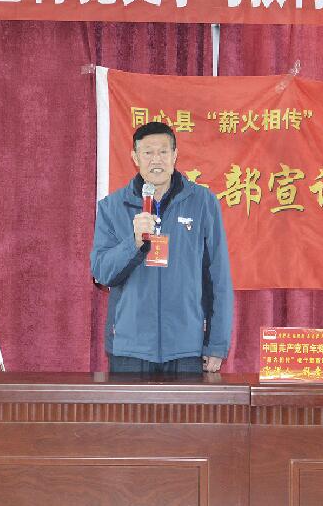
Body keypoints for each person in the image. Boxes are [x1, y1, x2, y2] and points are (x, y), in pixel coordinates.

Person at [91, 121, 234, 374]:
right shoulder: (111, 207)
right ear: (135, 157)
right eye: (148, 152)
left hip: (186, 347)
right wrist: (134, 242)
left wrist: (216, 345)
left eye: (163, 152)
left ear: (175, 155)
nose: (156, 160)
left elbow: (218, 277)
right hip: (130, 348)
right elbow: (102, 273)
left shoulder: (203, 202)